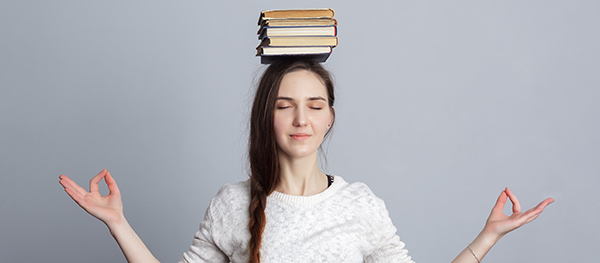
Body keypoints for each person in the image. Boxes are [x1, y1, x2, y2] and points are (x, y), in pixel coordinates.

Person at [59, 58, 554, 263]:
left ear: (330, 117)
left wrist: (487, 237)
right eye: (284, 105)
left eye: (314, 106)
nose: (301, 119)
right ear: (266, 116)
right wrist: (118, 224)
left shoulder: (361, 204)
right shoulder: (232, 203)